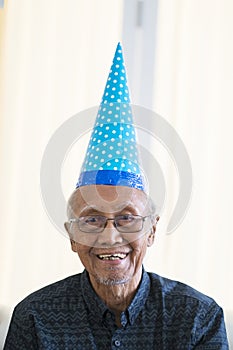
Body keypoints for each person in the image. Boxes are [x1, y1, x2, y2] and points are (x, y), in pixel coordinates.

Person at [4, 43, 229, 349]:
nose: (110, 238)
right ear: (71, 235)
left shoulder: (197, 319)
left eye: (126, 218)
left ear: (151, 230)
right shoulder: (34, 318)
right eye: (92, 219)